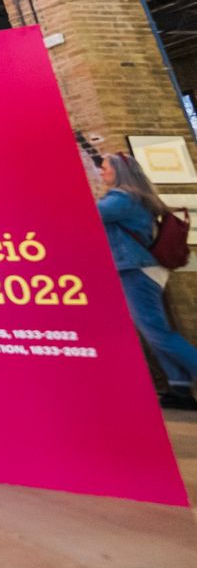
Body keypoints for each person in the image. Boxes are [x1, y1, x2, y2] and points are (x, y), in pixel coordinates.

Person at [100, 152, 197, 407]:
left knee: (157, 332)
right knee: (153, 330)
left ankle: (181, 384)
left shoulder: (121, 198)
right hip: (143, 268)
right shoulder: (135, 197)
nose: (102, 172)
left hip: (137, 270)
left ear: (119, 171)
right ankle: (179, 388)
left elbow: (87, 213)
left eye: (106, 168)